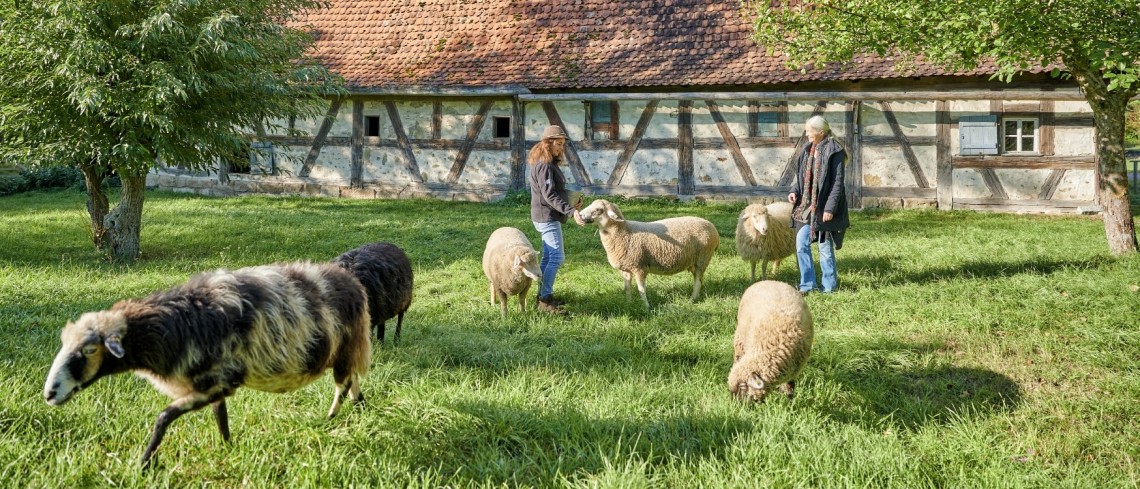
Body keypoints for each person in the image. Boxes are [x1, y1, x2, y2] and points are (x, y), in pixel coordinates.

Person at [788, 115, 849, 295]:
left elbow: (837, 183)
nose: (806, 134)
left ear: (821, 132)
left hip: (823, 207)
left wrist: (830, 209)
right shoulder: (807, 150)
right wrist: (794, 190)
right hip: (806, 207)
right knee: (801, 244)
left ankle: (828, 288)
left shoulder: (835, 152)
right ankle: (807, 284)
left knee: (824, 248)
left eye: (809, 131)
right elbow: (799, 176)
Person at [528, 125, 585, 313]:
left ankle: (542, 295)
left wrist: (571, 201)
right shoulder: (544, 165)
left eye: (563, 144)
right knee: (556, 258)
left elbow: (553, 192)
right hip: (546, 217)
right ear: (547, 143)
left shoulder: (547, 163)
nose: (561, 148)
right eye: (558, 144)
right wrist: (571, 212)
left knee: (548, 257)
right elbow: (549, 196)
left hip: (545, 215)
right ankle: (545, 300)